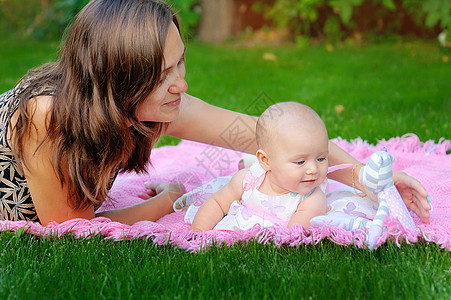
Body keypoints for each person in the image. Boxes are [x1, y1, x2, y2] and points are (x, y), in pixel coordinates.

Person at [0, 0, 430, 226]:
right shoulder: (47, 117)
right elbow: (70, 227)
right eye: (162, 74)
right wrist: (166, 203)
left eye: (180, 62)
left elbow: (267, 136)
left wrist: (370, 178)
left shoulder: (155, 106)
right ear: (119, 80)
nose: (181, 84)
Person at [190, 102, 330, 231]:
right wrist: (198, 229)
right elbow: (217, 203)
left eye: (321, 158)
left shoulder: (312, 199)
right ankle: (251, 162)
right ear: (265, 161)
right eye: (300, 162)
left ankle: (251, 160)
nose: (314, 170)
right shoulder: (247, 180)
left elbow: (293, 235)